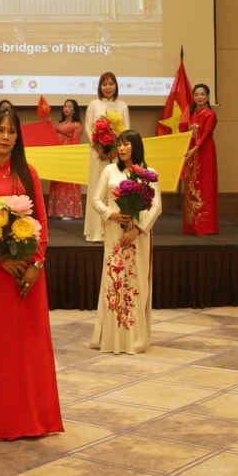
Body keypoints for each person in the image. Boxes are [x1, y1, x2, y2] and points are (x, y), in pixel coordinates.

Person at [0, 106, 63, 440]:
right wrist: (0, 259)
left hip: (29, 270)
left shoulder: (28, 172)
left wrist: (37, 264)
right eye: (0, 130)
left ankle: (35, 420)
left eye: (12, 131)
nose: (6, 137)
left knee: (30, 345)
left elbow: (42, 221)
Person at [90, 129, 161, 354]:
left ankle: (134, 339)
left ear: (136, 147)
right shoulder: (110, 170)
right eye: (119, 144)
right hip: (114, 232)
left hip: (138, 236)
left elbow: (156, 207)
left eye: (126, 144)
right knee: (114, 282)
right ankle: (112, 339)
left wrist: (137, 230)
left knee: (135, 283)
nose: (121, 148)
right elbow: (96, 200)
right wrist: (111, 214)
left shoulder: (149, 173)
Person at [83, 72, 130, 242]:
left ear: (116, 86)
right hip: (98, 154)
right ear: (100, 86)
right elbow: (88, 128)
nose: (108, 87)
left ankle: (113, 230)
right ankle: (96, 232)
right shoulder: (93, 104)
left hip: (117, 153)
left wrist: (116, 149)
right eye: (104, 84)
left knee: (115, 189)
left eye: (111, 84)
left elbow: (126, 129)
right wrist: (97, 148)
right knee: (98, 189)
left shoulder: (122, 105)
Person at [181, 83, 219, 235]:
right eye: (196, 94)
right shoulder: (192, 113)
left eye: (202, 94)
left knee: (204, 185)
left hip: (204, 152)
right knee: (192, 184)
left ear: (208, 97)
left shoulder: (210, 114)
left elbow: (206, 135)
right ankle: (192, 224)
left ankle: (205, 225)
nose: (199, 97)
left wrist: (194, 149)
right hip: (192, 153)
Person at [48, 99, 84, 220]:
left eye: (69, 106)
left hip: (68, 156)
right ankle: (56, 211)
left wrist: (71, 156)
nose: (66, 108)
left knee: (67, 184)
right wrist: (50, 125)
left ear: (74, 110)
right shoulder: (60, 124)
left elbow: (75, 142)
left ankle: (68, 212)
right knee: (58, 183)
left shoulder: (77, 125)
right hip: (58, 155)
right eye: (65, 106)